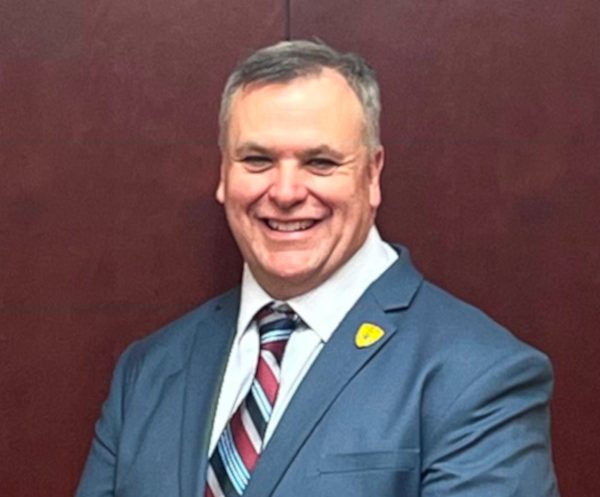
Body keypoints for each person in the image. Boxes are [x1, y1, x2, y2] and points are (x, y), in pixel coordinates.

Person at [75, 40, 560, 497]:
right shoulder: (148, 371)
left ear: (372, 174)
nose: (286, 192)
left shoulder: (479, 375)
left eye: (320, 162)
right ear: (223, 173)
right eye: (257, 159)